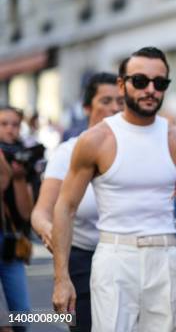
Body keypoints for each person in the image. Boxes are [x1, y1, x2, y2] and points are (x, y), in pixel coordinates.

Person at [51, 47, 176, 331]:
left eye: (160, 83)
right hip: (115, 258)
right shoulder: (96, 140)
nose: (150, 90)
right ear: (122, 85)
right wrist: (61, 279)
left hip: (166, 257)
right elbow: (65, 207)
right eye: (140, 81)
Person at [31, 72, 123, 331]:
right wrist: (50, 231)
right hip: (83, 260)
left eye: (120, 101)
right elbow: (41, 212)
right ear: (86, 107)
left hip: (129, 258)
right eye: (106, 100)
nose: (115, 107)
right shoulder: (68, 152)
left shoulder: (134, 148)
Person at [0, 106, 34, 326]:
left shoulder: (23, 156)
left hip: (11, 240)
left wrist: (20, 178)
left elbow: (26, 212)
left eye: (15, 124)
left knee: (22, 314)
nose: (10, 130)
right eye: (3, 124)